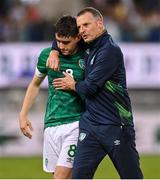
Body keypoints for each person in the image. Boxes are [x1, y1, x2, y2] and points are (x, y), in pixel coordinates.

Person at [48, 7, 143, 179]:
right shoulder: (88, 44)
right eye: (79, 27)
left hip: (116, 125)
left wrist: (73, 84)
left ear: (100, 23)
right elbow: (64, 38)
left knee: (132, 177)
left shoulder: (109, 51)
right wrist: (54, 50)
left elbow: (89, 88)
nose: (82, 30)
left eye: (86, 24)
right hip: (90, 126)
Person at [19, 16, 85, 179]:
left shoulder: (87, 56)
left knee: (60, 177)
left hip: (76, 123)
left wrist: (75, 85)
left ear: (77, 37)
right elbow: (35, 84)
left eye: (66, 42)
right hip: (51, 123)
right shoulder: (47, 55)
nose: (61, 47)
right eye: (58, 42)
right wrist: (23, 114)